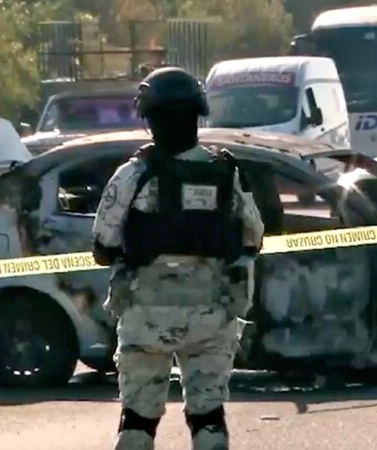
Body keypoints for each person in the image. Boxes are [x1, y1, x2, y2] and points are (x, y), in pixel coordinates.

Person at [91, 67, 265, 450]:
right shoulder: (226, 172)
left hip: (145, 314)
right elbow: (254, 236)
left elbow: (103, 244)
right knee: (208, 418)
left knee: (137, 421)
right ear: (197, 114)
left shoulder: (132, 174)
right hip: (212, 313)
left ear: (149, 119)